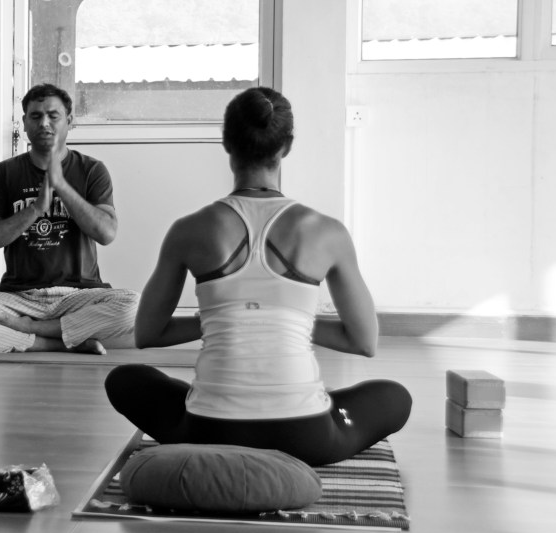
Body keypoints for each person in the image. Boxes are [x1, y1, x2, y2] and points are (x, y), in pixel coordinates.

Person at [104, 87, 410, 466]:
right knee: (395, 396)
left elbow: (147, 334)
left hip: (207, 432)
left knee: (125, 380)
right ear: (287, 146)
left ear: (226, 142)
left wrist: (224, 320)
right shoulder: (327, 232)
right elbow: (365, 342)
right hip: (307, 437)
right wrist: (284, 322)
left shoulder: (189, 229)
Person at [0, 83, 138, 354]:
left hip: (79, 295)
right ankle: (58, 342)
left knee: (134, 306)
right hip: (18, 296)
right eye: (35, 116)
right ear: (24, 122)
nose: (44, 123)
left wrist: (62, 186)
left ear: (69, 120)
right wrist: (35, 209)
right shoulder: (5, 173)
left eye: (53, 116)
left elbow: (106, 233)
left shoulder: (92, 170)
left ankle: (33, 330)